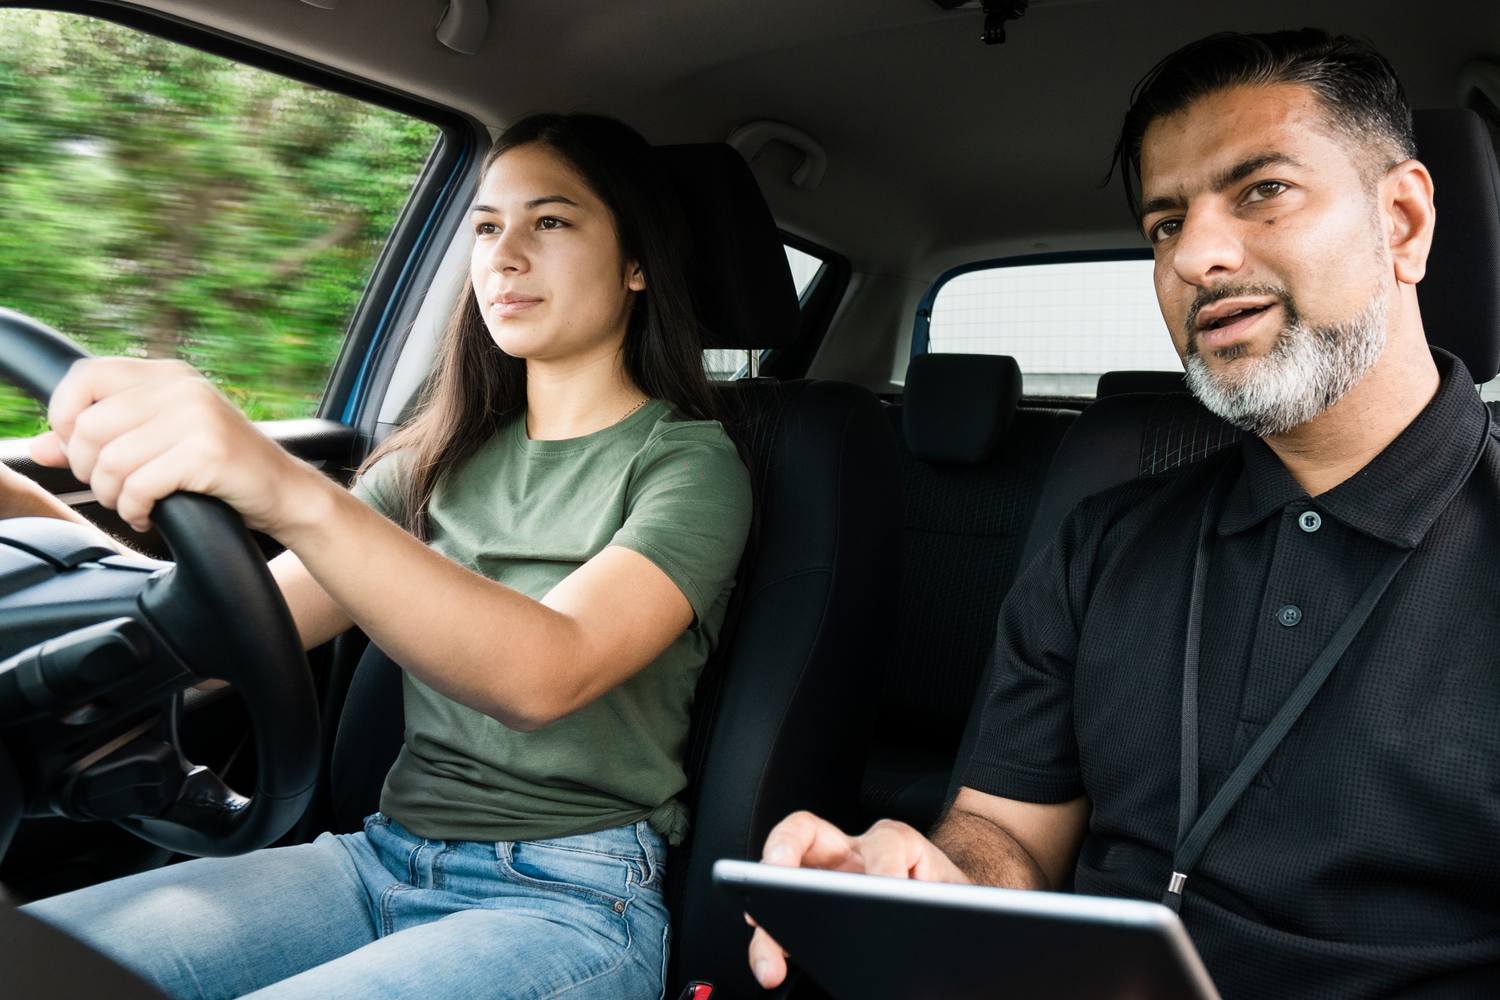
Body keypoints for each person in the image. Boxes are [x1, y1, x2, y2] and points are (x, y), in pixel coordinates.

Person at [749, 29, 1500, 999]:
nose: (1194, 255)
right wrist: (926, 875)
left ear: (1401, 222)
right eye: (1162, 223)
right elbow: (1007, 831)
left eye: (1262, 189)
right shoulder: (1104, 541)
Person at [0, 112, 752, 999]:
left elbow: (545, 675)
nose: (502, 255)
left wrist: (288, 489)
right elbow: (236, 626)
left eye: (550, 222)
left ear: (636, 264)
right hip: (372, 859)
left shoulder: (690, 463)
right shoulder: (436, 462)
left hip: (569, 896)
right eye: (485, 225)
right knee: (31, 960)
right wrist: (23, 512)